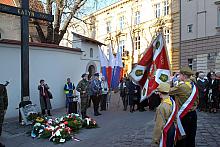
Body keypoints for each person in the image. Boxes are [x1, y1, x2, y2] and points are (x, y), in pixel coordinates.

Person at [169, 66, 199, 147]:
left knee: (181, 136)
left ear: (184, 76)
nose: (178, 76)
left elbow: (168, 91)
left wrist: (169, 81)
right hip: (193, 114)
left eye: (180, 74)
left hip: (184, 115)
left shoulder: (182, 86)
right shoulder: (194, 85)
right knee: (191, 136)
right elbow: (197, 101)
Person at [151, 82, 177, 147]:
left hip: (165, 131)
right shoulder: (172, 102)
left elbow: (159, 126)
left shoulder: (161, 107)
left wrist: (155, 141)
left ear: (159, 93)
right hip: (172, 129)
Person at [0, 83, 8, 147]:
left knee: (0, 125)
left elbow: (5, 98)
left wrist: (5, 108)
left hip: (1, 110)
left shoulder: (2, 87)